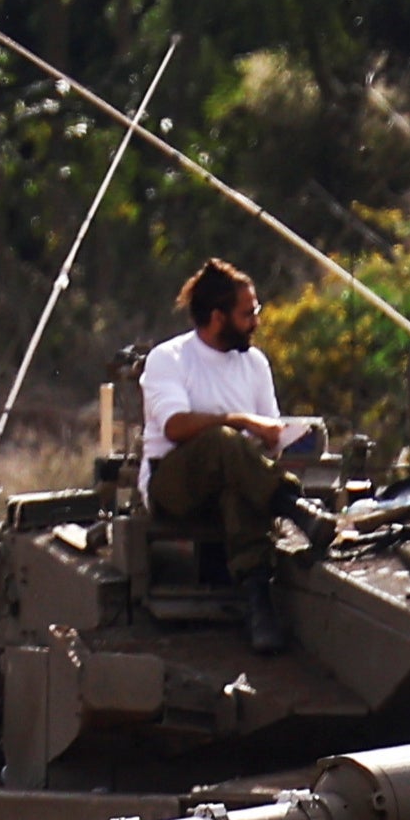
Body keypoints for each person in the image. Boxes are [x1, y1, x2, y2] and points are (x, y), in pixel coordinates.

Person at [139, 260, 320, 651]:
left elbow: (268, 433)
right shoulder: (169, 359)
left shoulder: (254, 364)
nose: (256, 320)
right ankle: (293, 506)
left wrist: (279, 437)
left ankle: (258, 604)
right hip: (173, 485)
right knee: (223, 440)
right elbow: (174, 427)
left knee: (239, 484)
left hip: (235, 482)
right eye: (247, 313)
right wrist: (241, 421)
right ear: (218, 318)